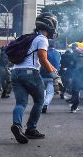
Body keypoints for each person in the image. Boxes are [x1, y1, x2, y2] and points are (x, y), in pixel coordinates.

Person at [10, 13, 63, 144]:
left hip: (15, 72)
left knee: (21, 103)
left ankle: (17, 125)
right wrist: (54, 75)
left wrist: (53, 70)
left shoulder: (29, 38)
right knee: (40, 101)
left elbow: (41, 59)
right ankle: (31, 129)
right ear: (50, 26)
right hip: (30, 73)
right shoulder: (42, 39)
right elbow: (42, 58)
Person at [40, 39, 62, 113]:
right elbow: (58, 65)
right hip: (53, 75)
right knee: (50, 93)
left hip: (42, 74)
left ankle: (42, 104)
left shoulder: (44, 52)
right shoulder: (58, 53)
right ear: (54, 45)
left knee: (43, 91)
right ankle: (46, 104)